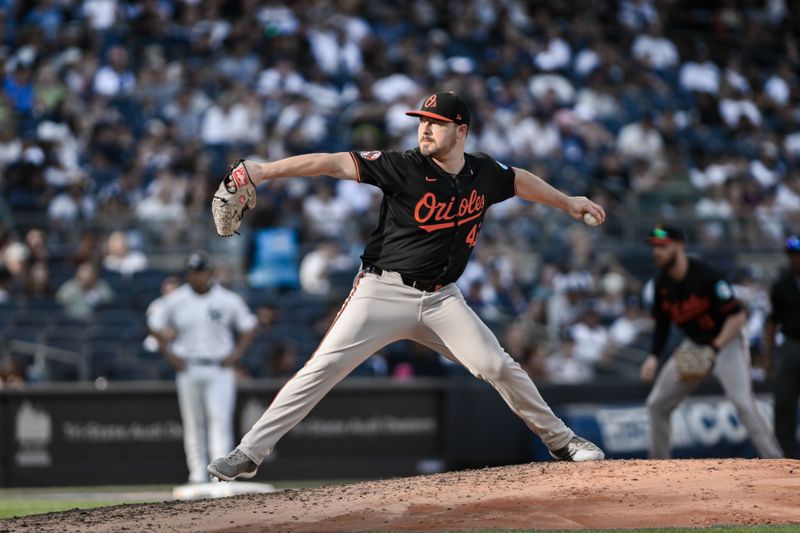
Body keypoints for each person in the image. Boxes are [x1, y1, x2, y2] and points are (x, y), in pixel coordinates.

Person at [208, 91, 607, 482]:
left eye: (436, 123)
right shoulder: (402, 166)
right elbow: (331, 163)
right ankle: (249, 453)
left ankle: (562, 442)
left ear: (461, 130)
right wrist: (262, 171)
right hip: (382, 291)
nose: (425, 129)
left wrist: (567, 201)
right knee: (322, 368)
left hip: (442, 299)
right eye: (422, 122)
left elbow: (518, 180)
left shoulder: (482, 172)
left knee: (497, 364)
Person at [639, 225, 782, 459]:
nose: (657, 252)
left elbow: (737, 317)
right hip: (695, 345)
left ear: (679, 246)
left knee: (743, 403)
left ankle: (775, 460)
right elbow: (662, 324)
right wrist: (653, 357)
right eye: (654, 247)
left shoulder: (706, 275)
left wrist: (714, 349)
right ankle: (658, 467)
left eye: (662, 247)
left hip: (726, 344)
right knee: (657, 404)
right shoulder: (661, 286)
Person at [149, 251, 258, 484]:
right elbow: (154, 324)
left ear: (209, 273)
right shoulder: (175, 299)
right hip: (188, 367)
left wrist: (236, 354)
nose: (195, 277)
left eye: (199, 272)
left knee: (220, 420)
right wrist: (169, 355)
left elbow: (249, 326)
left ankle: (220, 473)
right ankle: (197, 474)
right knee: (193, 422)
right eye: (191, 272)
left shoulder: (227, 299)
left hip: (219, 367)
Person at [762, 235, 800, 458]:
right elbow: (772, 322)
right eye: (792, 256)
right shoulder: (781, 285)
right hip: (790, 346)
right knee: (784, 403)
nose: (796, 260)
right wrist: (768, 357)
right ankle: (788, 458)